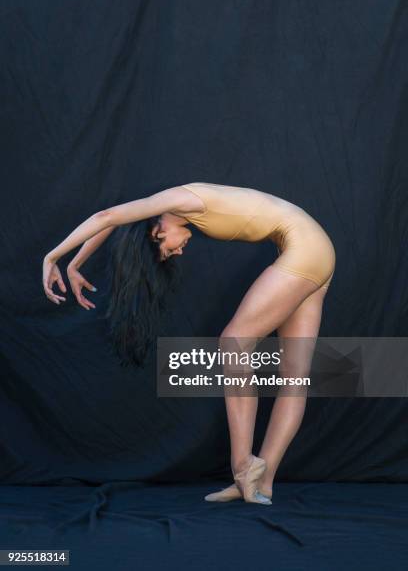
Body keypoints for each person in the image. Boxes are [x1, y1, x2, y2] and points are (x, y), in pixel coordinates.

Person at [42, 181, 336, 506]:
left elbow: (107, 215)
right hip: (316, 249)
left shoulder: (180, 200)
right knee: (294, 378)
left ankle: (243, 466)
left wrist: (52, 257)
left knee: (234, 342)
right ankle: (260, 486)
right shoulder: (167, 209)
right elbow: (115, 221)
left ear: (158, 232)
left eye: (167, 250)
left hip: (305, 249)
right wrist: (74, 264)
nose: (178, 252)